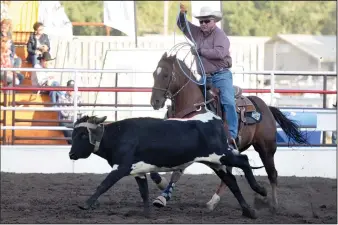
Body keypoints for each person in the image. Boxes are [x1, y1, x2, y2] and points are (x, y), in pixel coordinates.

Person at [177, 4, 238, 148]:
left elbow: (219, 53)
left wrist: (200, 49)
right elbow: (182, 25)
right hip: (204, 77)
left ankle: (232, 136)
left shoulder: (220, 35)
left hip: (221, 76)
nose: (203, 24)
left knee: (228, 102)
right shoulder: (197, 32)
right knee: (191, 100)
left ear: (214, 21)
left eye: (207, 21)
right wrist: (182, 13)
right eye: (201, 21)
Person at [57, 80, 83, 144]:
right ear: (66, 88)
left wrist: (70, 110)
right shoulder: (61, 98)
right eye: (69, 88)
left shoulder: (79, 98)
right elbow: (64, 113)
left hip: (76, 121)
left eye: (72, 88)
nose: (71, 90)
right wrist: (74, 111)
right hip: (66, 121)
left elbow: (81, 112)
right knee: (65, 126)